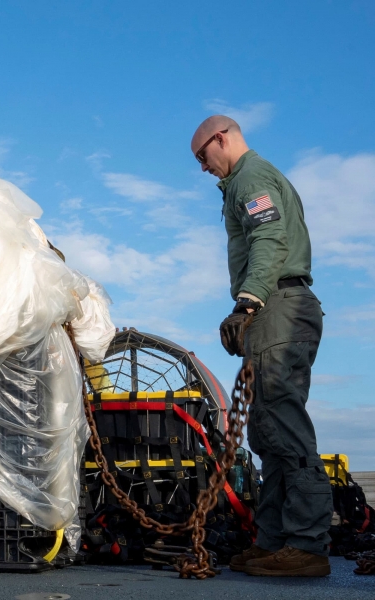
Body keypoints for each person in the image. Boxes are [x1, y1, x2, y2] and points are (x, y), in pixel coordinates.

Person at [191, 116, 332, 577]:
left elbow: (269, 237)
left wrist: (247, 303)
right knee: (267, 430)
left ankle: (307, 545)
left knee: (285, 426)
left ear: (222, 138)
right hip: (276, 308)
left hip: (280, 306)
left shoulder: (250, 176)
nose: (204, 167)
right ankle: (274, 540)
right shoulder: (243, 183)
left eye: (202, 156)